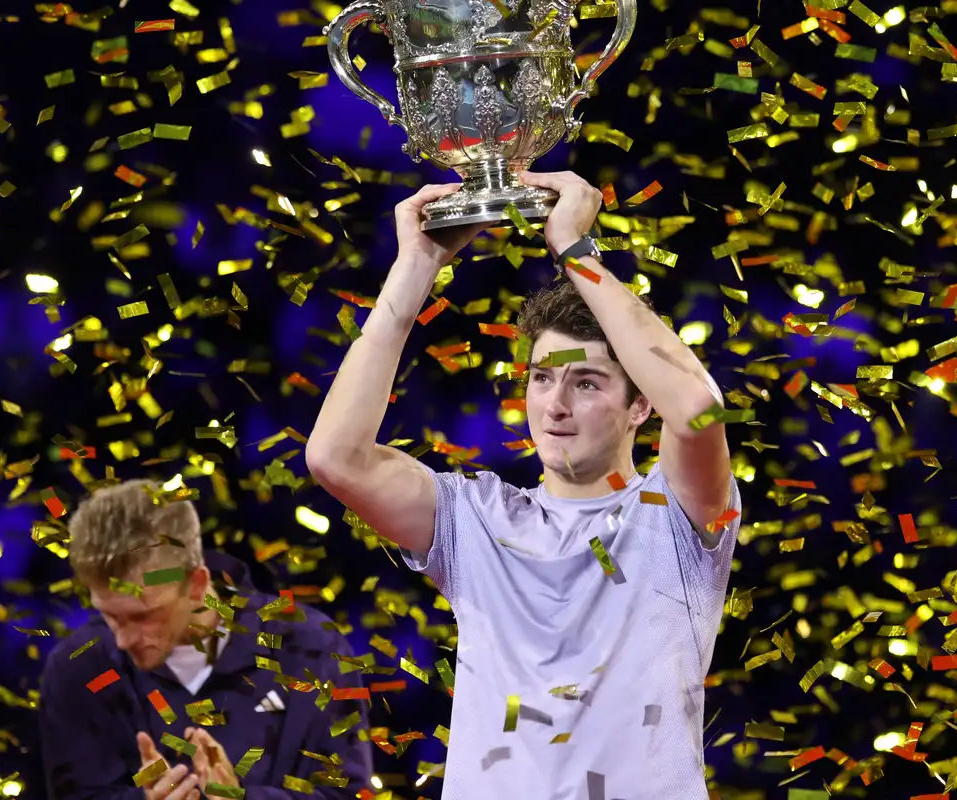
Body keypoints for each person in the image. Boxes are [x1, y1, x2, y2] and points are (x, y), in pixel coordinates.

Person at [306, 170, 742, 799]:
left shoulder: (675, 516)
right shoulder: (475, 519)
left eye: (586, 383)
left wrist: (576, 253)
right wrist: (416, 267)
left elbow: (698, 409)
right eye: (542, 378)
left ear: (640, 404)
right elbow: (335, 458)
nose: (555, 405)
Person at [38, 480, 373, 800]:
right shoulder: (78, 669)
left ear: (197, 584)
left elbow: (347, 793)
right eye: (110, 615)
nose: (123, 640)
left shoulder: (313, 649)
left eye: (143, 616)